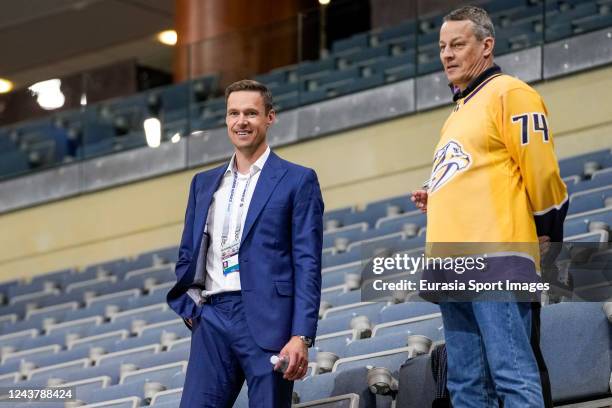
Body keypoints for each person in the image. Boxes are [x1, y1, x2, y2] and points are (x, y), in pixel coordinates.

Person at [411, 6, 567, 408]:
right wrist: (438, 191)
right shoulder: (459, 111)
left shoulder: (510, 92)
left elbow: (542, 170)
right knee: (466, 387)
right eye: (442, 46)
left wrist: (547, 227)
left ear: (486, 45)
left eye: (457, 44)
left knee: (512, 375)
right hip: (452, 264)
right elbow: (479, 168)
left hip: (495, 257)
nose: (446, 54)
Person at [167, 79, 324, 407]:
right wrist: (193, 311)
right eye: (233, 113)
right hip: (211, 317)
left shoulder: (298, 180)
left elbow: (307, 263)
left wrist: (301, 335)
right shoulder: (203, 184)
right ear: (226, 120)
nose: (241, 121)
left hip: (269, 319)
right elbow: (188, 252)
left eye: (251, 113)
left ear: (270, 117)